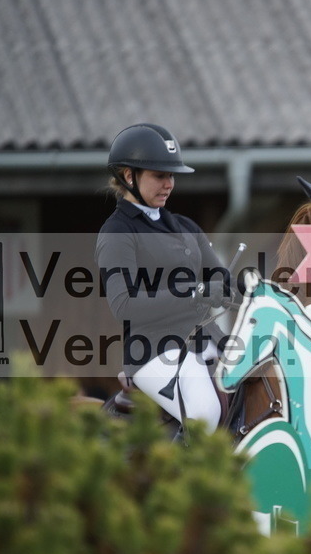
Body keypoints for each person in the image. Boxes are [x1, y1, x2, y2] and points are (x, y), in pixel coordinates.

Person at [95, 123, 229, 434]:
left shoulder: (184, 225)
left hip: (207, 340)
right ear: (129, 176)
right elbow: (123, 305)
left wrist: (238, 287)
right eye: (160, 175)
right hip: (154, 350)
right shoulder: (117, 232)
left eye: (171, 176)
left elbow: (220, 275)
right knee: (205, 414)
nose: (169, 184)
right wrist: (194, 294)